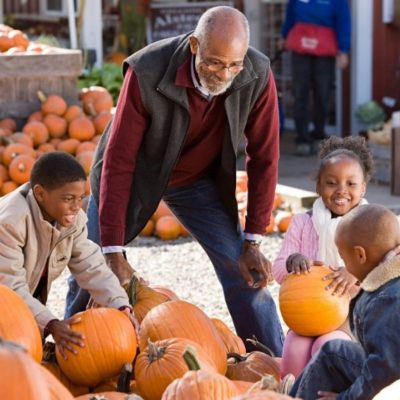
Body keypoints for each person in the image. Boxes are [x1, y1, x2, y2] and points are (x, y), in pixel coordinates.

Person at [65, 6, 284, 355]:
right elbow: (119, 161)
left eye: (234, 64)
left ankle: (276, 363)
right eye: (215, 62)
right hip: (137, 173)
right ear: (195, 46)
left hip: (197, 181)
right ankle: (67, 356)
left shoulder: (256, 74)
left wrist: (254, 239)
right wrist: (112, 250)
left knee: (243, 268)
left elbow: (265, 157)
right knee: (89, 267)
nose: (225, 73)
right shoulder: (148, 70)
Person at [0, 152, 137, 359]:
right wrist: (51, 324)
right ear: (40, 194)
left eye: (80, 198)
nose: (76, 206)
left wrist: (119, 304)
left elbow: (91, 266)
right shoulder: (10, 223)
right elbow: (9, 287)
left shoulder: (72, 220)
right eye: (68, 199)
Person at [272, 135, 374, 377]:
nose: (341, 190)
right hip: (307, 314)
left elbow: (389, 268)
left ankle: (325, 392)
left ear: (363, 188)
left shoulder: (371, 227)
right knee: (295, 347)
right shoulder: (302, 223)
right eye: (331, 182)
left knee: (326, 347)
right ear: (318, 186)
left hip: (351, 320)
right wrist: (292, 261)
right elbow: (277, 271)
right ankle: (292, 393)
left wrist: (356, 274)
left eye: (351, 184)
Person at [290, 204, 400, 399]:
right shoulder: (388, 277)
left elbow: (383, 375)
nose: (343, 265)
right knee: (333, 352)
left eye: (343, 258)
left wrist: (344, 398)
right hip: (388, 370)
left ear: (360, 255)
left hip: (392, 385)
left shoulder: (388, 300)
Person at [280, 0, 351, 156]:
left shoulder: (338, 2)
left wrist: (343, 49)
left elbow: (343, 22)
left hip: (325, 52)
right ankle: (303, 139)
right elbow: (290, 17)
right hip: (300, 50)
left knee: (322, 94)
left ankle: (319, 134)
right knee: (300, 94)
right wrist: (284, 35)